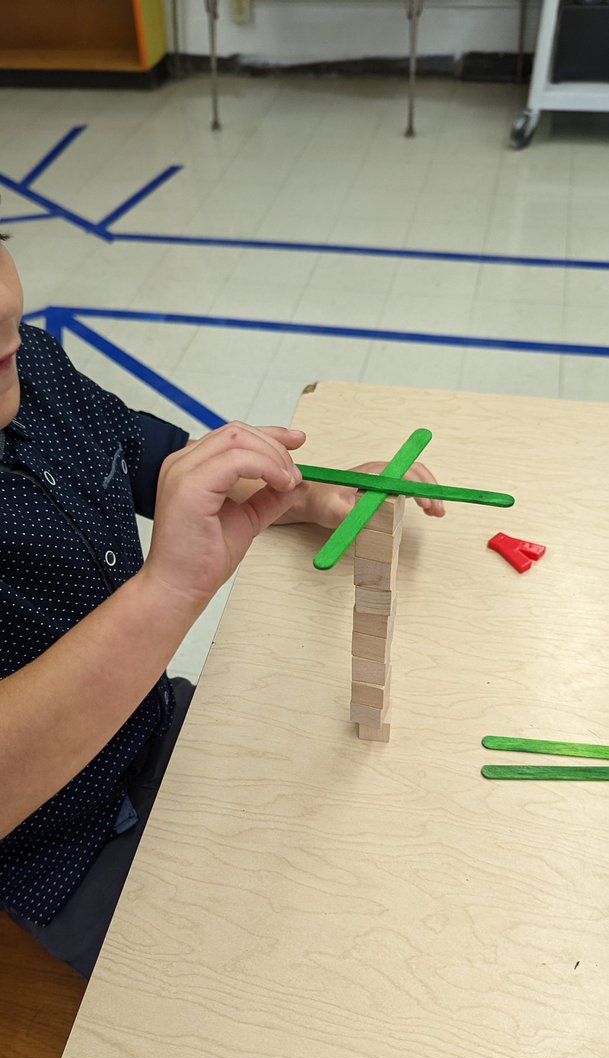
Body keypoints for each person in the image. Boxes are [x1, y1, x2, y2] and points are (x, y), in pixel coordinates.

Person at [0, 229, 445, 978]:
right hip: (59, 851)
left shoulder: (28, 361)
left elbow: (150, 458)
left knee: (377, 849)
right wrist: (170, 589)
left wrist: (301, 492)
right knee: (288, 988)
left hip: (158, 725)